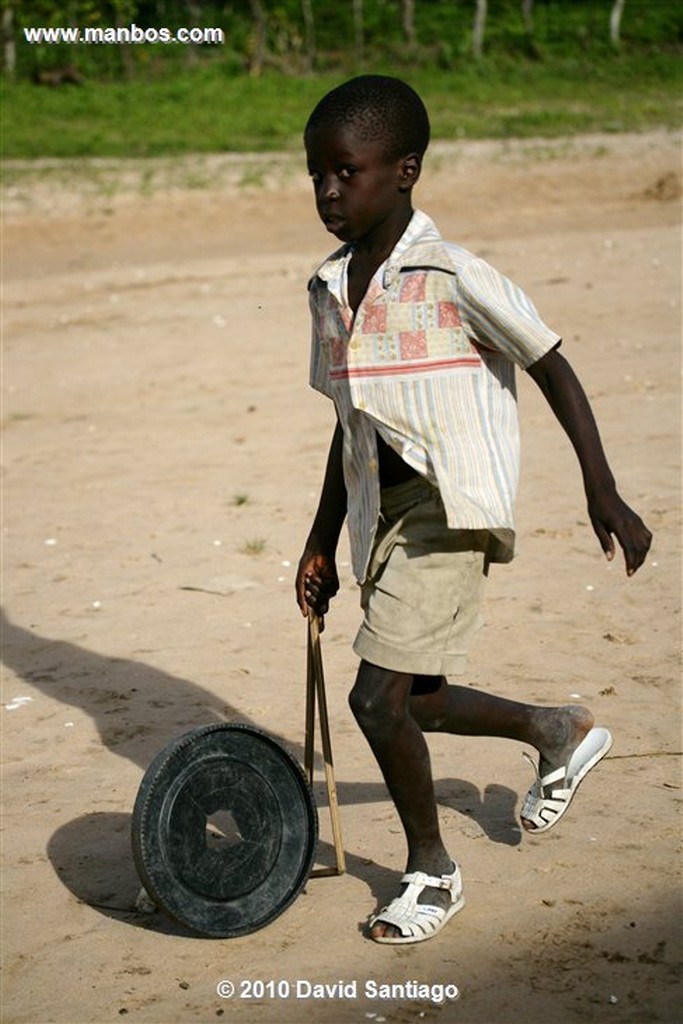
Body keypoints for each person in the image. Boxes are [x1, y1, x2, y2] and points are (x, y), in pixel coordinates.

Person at [295, 75, 652, 945]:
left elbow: (549, 361)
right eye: (316, 175)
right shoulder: (329, 286)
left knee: (375, 699)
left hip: (449, 508)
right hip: (377, 513)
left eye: (346, 171)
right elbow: (350, 424)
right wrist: (317, 543)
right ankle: (553, 729)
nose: (328, 192)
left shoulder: (451, 273)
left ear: (404, 170)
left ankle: (430, 872)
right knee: (414, 699)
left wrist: (599, 486)